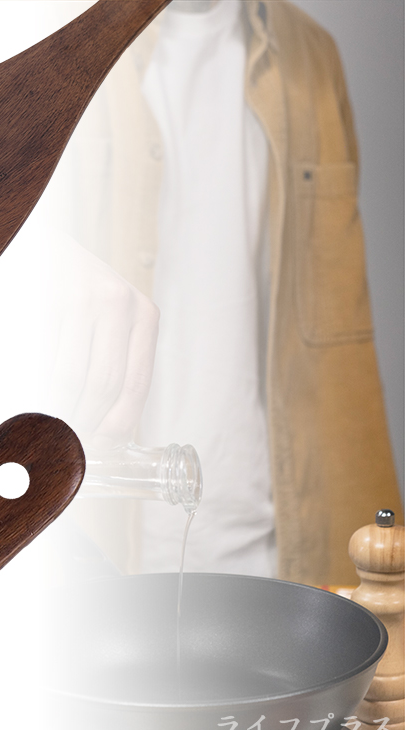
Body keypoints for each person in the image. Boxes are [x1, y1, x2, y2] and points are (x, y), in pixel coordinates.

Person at [38, 0, 401, 586]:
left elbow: (342, 353)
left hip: (281, 557)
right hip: (104, 558)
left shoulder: (312, 57)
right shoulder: (59, 43)